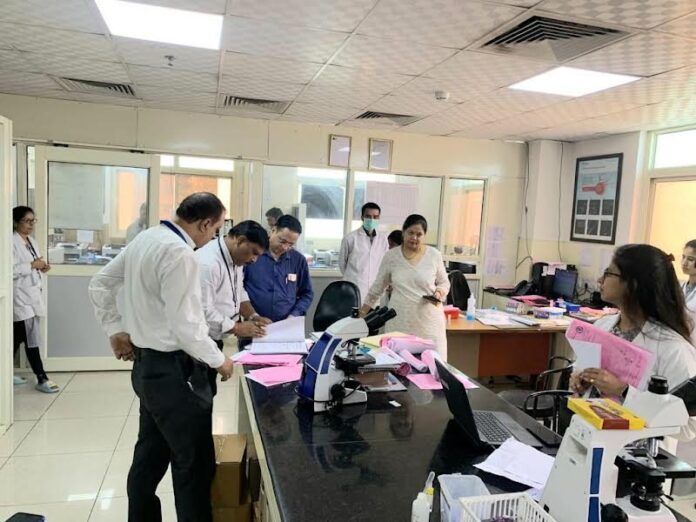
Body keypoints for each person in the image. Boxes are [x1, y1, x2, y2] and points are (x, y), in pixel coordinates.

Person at [88, 192, 235, 522]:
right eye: (215, 230)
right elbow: (187, 328)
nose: (213, 237)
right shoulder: (181, 254)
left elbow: (100, 283)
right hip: (174, 374)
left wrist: (115, 329)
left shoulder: (148, 237)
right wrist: (220, 361)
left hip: (147, 369)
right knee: (193, 463)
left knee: (150, 455)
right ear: (204, 223)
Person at [571, 244, 696, 443]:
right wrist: (580, 380)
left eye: (608, 273)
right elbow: (582, 369)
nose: (600, 280)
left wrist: (624, 391)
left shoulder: (674, 349)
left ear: (633, 284)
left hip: (637, 453)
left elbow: (689, 426)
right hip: (588, 437)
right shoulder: (603, 325)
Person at [360, 214, 450, 358]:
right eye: (410, 233)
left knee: (432, 366)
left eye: (419, 234)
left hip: (429, 323)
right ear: (403, 232)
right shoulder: (391, 256)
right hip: (400, 321)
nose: (414, 237)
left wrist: (439, 293)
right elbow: (377, 288)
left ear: (424, 235)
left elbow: (444, 282)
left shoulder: (434, 255)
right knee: (397, 365)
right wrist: (361, 315)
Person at [196, 220, 271, 392]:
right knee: (199, 398)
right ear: (240, 240)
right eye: (253, 253)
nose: (254, 260)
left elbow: (238, 290)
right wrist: (237, 328)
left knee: (208, 392)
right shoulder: (208, 263)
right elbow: (203, 311)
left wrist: (253, 316)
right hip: (199, 343)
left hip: (215, 338)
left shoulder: (236, 259)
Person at [12, 206, 59, 393]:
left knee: (16, 338)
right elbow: (10, 270)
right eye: (27, 221)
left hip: (32, 296)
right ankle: (42, 378)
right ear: (16, 222)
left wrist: (41, 266)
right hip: (21, 298)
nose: (31, 224)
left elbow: (33, 264)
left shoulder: (31, 241)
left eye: (33, 220)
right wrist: (32, 264)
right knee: (32, 340)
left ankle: (4, 373)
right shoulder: (10, 242)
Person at [243, 214, 314, 323]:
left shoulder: (298, 260)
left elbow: (307, 294)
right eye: (282, 241)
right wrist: (252, 315)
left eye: (291, 244)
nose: (285, 247)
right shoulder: (253, 254)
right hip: (254, 322)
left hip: (286, 325)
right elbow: (239, 290)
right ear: (273, 230)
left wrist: (294, 315)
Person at [338, 202, 389, 302]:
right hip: (353, 288)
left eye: (375, 217)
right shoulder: (350, 238)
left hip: (375, 290)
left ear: (379, 218)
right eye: (368, 216)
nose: (372, 220)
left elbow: (385, 263)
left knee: (372, 311)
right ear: (362, 217)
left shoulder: (383, 239)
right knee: (353, 311)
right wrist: (355, 277)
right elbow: (342, 264)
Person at [681, 239, 696, 345]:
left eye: (690, 259)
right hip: (680, 342)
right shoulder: (679, 287)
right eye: (683, 257)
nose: (684, 263)